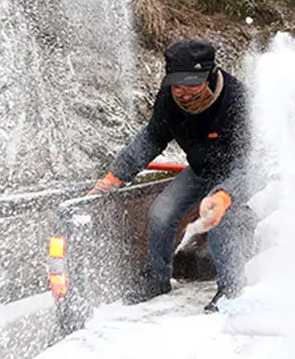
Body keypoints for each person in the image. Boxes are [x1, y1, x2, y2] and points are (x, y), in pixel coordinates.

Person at [91, 39, 253, 312]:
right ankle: (156, 278)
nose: (184, 93)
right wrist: (115, 176)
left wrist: (226, 195)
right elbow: (153, 137)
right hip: (202, 169)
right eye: (177, 85)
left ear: (211, 75)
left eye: (192, 85)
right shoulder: (169, 98)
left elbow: (253, 161)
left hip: (238, 172)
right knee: (161, 212)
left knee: (220, 223)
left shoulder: (238, 99)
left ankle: (230, 290)